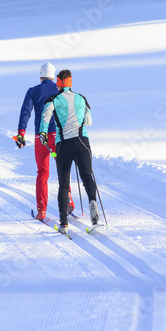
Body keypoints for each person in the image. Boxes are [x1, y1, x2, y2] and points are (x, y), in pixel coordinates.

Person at [39, 69, 99, 235]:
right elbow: (89, 121)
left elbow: (45, 118)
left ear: (58, 83)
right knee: (87, 175)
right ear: (70, 82)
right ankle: (92, 202)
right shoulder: (81, 98)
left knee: (64, 184)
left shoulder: (53, 100)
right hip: (82, 142)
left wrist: (43, 134)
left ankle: (64, 223)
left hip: (63, 145)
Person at [15, 62, 75, 220]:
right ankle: (67, 197)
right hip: (59, 135)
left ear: (41, 76)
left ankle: (42, 210)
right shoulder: (60, 89)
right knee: (63, 168)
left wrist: (21, 133)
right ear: (54, 76)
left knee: (42, 172)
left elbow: (26, 111)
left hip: (40, 137)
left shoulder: (33, 91)